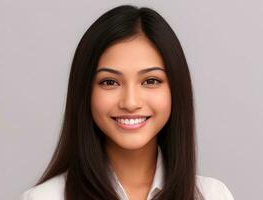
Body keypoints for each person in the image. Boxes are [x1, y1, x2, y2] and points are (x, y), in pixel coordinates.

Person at [21, 5, 234, 200]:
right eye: (110, 82)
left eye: (151, 81)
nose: (130, 102)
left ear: (175, 90)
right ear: (85, 92)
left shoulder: (212, 195)